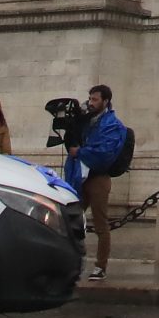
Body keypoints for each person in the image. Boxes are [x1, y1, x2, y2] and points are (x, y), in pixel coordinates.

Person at [62, 84, 126, 279]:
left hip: (98, 178)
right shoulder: (86, 121)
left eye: (95, 99)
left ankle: (100, 266)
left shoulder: (112, 124)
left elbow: (105, 153)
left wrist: (80, 152)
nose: (90, 103)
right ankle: (71, 263)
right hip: (78, 176)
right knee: (71, 221)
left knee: (100, 224)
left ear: (106, 101)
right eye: (90, 99)